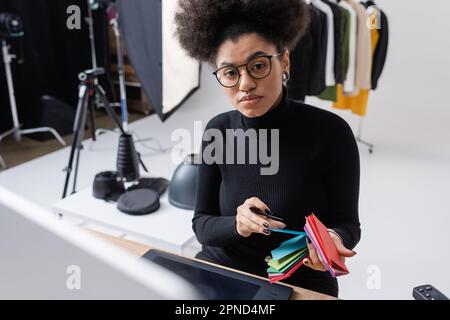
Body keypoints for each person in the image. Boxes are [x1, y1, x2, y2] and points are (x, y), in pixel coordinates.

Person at [175, 0, 361, 297]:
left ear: (284, 61)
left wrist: (332, 238)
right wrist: (238, 224)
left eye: (258, 66)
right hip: (223, 268)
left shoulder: (331, 133)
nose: (245, 84)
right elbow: (202, 224)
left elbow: (349, 225)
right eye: (230, 73)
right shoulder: (217, 131)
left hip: (301, 278)